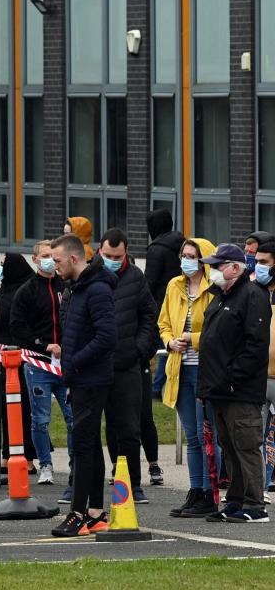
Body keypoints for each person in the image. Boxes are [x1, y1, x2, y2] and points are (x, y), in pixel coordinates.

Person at [197, 243, 271, 523]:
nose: (212, 270)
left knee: (247, 446)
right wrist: (206, 387)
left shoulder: (252, 296)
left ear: (235, 268)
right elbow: (210, 343)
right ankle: (236, 499)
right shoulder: (219, 297)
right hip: (218, 390)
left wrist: (231, 379)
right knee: (229, 447)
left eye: (218, 265)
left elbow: (255, 346)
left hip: (240, 390)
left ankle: (255, 504)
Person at [49, 234, 116, 537]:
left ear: (74, 259)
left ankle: (78, 514)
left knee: (83, 447)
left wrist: (74, 361)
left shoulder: (97, 290)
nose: (55, 266)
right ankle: (95, 512)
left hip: (91, 378)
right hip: (80, 377)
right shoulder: (75, 289)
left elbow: (106, 337)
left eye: (58, 261)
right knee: (89, 445)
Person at [160, 238, 222, 518]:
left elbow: (219, 331)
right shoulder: (174, 285)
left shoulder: (214, 289)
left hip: (204, 368)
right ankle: (196, 490)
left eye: (192, 256)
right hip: (179, 367)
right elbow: (163, 322)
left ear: (203, 259)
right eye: (183, 255)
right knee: (191, 437)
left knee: (204, 434)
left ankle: (211, 492)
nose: (186, 260)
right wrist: (170, 341)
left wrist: (192, 339)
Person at [97, 229, 157, 504]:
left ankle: (134, 481)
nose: (111, 260)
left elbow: (148, 315)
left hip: (128, 364)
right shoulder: (89, 275)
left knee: (131, 427)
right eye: (107, 255)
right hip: (97, 364)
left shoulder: (135, 277)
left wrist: (140, 348)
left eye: (117, 256)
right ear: (99, 251)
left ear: (126, 252)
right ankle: (115, 472)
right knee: (107, 427)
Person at [10, 240, 75, 499]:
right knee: (40, 419)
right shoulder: (26, 291)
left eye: (53, 256)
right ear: (36, 259)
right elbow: (17, 326)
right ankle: (45, 465)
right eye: (45, 256)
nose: (51, 260)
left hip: (67, 364)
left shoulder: (67, 287)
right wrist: (43, 345)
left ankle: (74, 462)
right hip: (38, 365)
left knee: (73, 416)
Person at [143, 209, 182, 484]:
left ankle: (159, 385)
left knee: (161, 347)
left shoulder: (156, 250)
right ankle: (161, 383)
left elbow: (150, 282)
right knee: (168, 349)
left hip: (159, 304)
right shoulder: (180, 242)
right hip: (177, 304)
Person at [0, 253, 37, 473]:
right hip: (2, 357)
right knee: (5, 407)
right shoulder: (5, 287)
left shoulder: (26, 289)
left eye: (3, 265)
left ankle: (27, 455)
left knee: (23, 408)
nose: (0, 268)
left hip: (20, 357)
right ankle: (7, 454)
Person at [253, 242, 275, 495]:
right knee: (257, 437)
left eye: (264, 262)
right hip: (258, 376)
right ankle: (258, 490)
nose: (258, 267)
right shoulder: (253, 291)